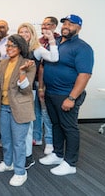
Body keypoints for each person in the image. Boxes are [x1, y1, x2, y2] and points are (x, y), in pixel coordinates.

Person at [39, 14, 93, 176]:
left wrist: (71, 98)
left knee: (69, 128)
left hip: (66, 95)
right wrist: (42, 88)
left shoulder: (82, 48)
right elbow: (44, 66)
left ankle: (70, 163)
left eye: (71, 24)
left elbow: (85, 75)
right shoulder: (55, 44)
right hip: (51, 93)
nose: (66, 26)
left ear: (79, 28)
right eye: (65, 23)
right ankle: (57, 154)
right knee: (56, 124)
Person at [0, 34, 36, 187]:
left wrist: (23, 72)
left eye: (12, 46)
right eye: (7, 46)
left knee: (18, 143)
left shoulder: (28, 63)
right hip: (4, 106)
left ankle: (20, 172)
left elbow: (26, 89)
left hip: (20, 107)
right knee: (6, 139)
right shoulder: (3, 63)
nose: (9, 48)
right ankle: (8, 162)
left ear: (20, 47)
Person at [17, 22, 59, 169]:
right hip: (14, 91)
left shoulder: (36, 49)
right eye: (21, 32)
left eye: (26, 32)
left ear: (32, 34)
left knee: (27, 125)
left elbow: (54, 58)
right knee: (17, 124)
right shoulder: (15, 49)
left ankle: (28, 156)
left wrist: (52, 40)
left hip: (29, 91)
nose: (24, 35)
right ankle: (18, 153)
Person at [34, 16, 60, 153]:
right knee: (36, 111)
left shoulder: (58, 41)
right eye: (42, 24)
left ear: (54, 26)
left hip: (48, 81)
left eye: (48, 24)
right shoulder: (38, 42)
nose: (44, 27)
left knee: (46, 112)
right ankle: (37, 137)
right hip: (37, 80)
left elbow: (53, 62)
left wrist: (41, 88)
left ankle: (49, 141)